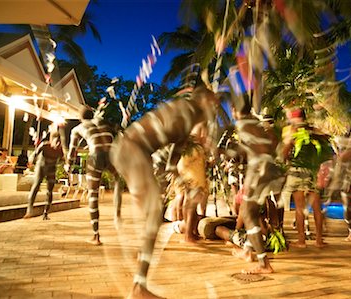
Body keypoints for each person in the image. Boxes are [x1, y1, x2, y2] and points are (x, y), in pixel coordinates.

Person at [110, 85, 220, 298]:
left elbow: (171, 166)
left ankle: (140, 271)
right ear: (203, 102)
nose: (215, 110)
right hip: (131, 150)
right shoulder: (186, 111)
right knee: (153, 214)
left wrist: (185, 184)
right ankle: (138, 286)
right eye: (212, 104)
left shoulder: (186, 122)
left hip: (131, 152)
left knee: (153, 214)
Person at [230, 102, 286, 274]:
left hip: (259, 173)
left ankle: (264, 264)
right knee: (252, 213)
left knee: (247, 214)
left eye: (233, 108)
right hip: (269, 171)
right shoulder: (260, 127)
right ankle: (248, 251)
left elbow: (255, 150)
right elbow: (276, 149)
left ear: (236, 110)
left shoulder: (245, 125)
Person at [65, 107, 123, 245]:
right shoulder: (102, 122)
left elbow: (72, 151)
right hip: (110, 155)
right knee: (117, 181)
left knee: (93, 194)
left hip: (95, 156)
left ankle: (96, 235)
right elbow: (119, 129)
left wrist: (69, 164)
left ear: (80, 118)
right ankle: (117, 214)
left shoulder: (78, 128)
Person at [280, 107, 332, 248]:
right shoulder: (314, 131)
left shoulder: (292, 131)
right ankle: (319, 240)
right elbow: (327, 150)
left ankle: (302, 241)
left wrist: (284, 159)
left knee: (299, 207)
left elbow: (284, 153)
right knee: (316, 207)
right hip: (313, 172)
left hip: (296, 172)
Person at [24, 132, 64, 220]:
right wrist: (32, 162)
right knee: (36, 185)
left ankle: (46, 212)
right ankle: (29, 210)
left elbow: (62, 160)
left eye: (59, 143)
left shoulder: (60, 150)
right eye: (56, 142)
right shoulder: (44, 145)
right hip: (41, 166)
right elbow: (34, 154)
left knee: (50, 190)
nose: (57, 144)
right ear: (51, 140)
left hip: (52, 168)